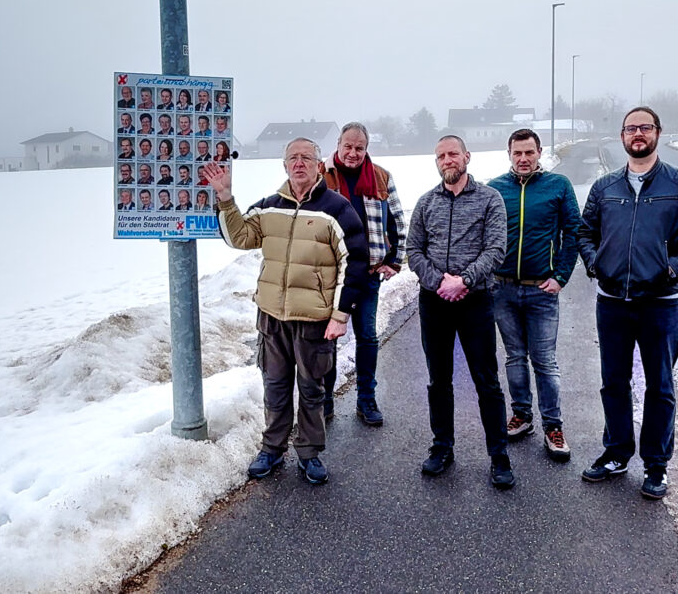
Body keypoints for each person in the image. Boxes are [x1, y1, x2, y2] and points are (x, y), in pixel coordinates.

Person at [204, 137, 368, 486]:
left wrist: (341, 315)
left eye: (306, 157)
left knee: (311, 390)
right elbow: (240, 238)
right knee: (275, 387)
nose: (299, 163)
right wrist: (225, 198)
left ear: (318, 164)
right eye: (292, 158)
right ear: (284, 166)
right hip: (272, 317)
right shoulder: (269, 207)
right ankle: (272, 449)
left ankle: (309, 453)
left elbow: (354, 262)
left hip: (314, 320)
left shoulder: (336, 209)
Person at [577, 106, 678, 500]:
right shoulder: (605, 187)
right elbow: (585, 233)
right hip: (612, 303)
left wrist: (671, 270)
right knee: (614, 383)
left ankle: (656, 466)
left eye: (645, 128)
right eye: (630, 129)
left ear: (658, 133)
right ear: (622, 136)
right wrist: (594, 264)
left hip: (660, 305)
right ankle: (617, 452)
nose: (637, 134)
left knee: (659, 386)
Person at [406, 135, 513, 489]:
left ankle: (499, 456)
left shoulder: (489, 199)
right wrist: (439, 282)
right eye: (441, 156)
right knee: (439, 379)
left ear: (467, 156)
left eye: (453, 154)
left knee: (486, 380)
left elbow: (496, 248)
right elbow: (414, 251)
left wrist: (464, 280)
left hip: (475, 300)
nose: (447, 160)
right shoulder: (425, 203)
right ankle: (442, 447)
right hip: (434, 301)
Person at [486, 128, 581, 461]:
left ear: (540, 152)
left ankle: (553, 427)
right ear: (509, 154)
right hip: (502, 289)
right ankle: (522, 415)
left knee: (545, 362)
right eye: (517, 153)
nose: (523, 159)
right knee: (514, 356)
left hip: (542, 291)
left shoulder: (558, 186)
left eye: (529, 152)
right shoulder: (495, 189)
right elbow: (484, 235)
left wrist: (561, 276)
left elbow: (574, 232)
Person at [319, 122, 407, 426]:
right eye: (348, 146)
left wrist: (393, 260)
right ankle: (325, 400)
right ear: (339, 144)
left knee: (367, 337)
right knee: (327, 338)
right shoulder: (321, 174)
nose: (353, 153)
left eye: (360, 147)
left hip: (368, 273)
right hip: (331, 276)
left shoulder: (381, 177)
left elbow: (397, 220)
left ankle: (366, 399)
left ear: (366, 148)